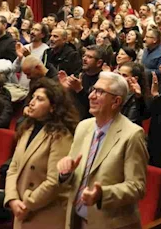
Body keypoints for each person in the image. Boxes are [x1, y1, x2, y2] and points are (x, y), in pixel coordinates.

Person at [56, 72, 148, 229]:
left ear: (116, 101)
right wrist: (65, 173)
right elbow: (74, 174)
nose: (91, 96)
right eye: (93, 89)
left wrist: (102, 195)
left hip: (110, 224)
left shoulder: (132, 134)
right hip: (76, 220)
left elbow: (137, 187)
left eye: (100, 92)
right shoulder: (83, 127)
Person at [4, 78, 79, 229]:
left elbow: (55, 181)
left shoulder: (61, 135)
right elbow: (13, 168)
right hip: (21, 210)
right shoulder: (27, 129)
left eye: (39, 99)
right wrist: (12, 199)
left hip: (46, 213)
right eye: (32, 97)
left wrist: (27, 203)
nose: (31, 102)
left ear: (53, 107)